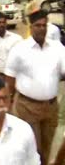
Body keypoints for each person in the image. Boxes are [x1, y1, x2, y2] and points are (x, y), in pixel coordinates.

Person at [5, 9, 65, 164]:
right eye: (38, 25)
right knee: (33, 149)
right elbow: (9, 81)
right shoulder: (19, 49)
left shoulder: (57, 48)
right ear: (31, 27)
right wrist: (8, 105)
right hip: (28, 107)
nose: (41, 29)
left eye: (44, 25)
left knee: (47, 148)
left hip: (51, 108)